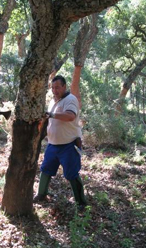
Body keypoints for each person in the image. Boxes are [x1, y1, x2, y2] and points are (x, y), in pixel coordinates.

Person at [34, 75, 87, 210]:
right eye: (52, 88)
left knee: (72, 174)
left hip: (69, 144)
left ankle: (81, 203)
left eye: (57, 87)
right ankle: (41, 194)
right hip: (53, 144)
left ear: (64, 86)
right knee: (46, 169)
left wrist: (51, 115)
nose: (55, 90)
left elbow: (70, 116)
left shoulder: (70, 100)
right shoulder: (53, 101)